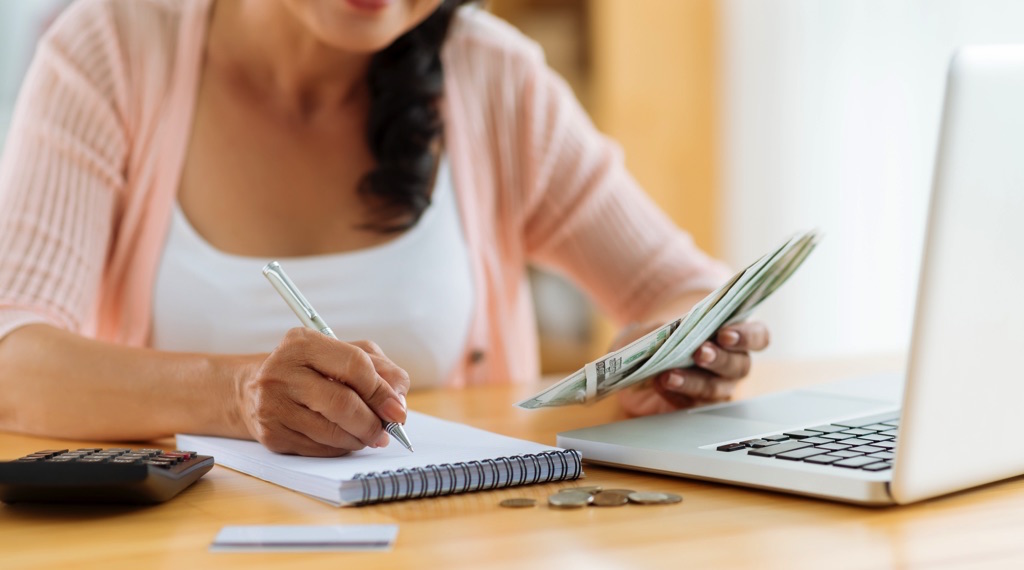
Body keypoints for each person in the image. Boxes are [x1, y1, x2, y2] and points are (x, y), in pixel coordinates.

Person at [0, 0, 769, 457]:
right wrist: (234, 395)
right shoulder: (111, 51)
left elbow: (683, 283)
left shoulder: (491, 75)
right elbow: (13, 358)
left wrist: (681, 350)